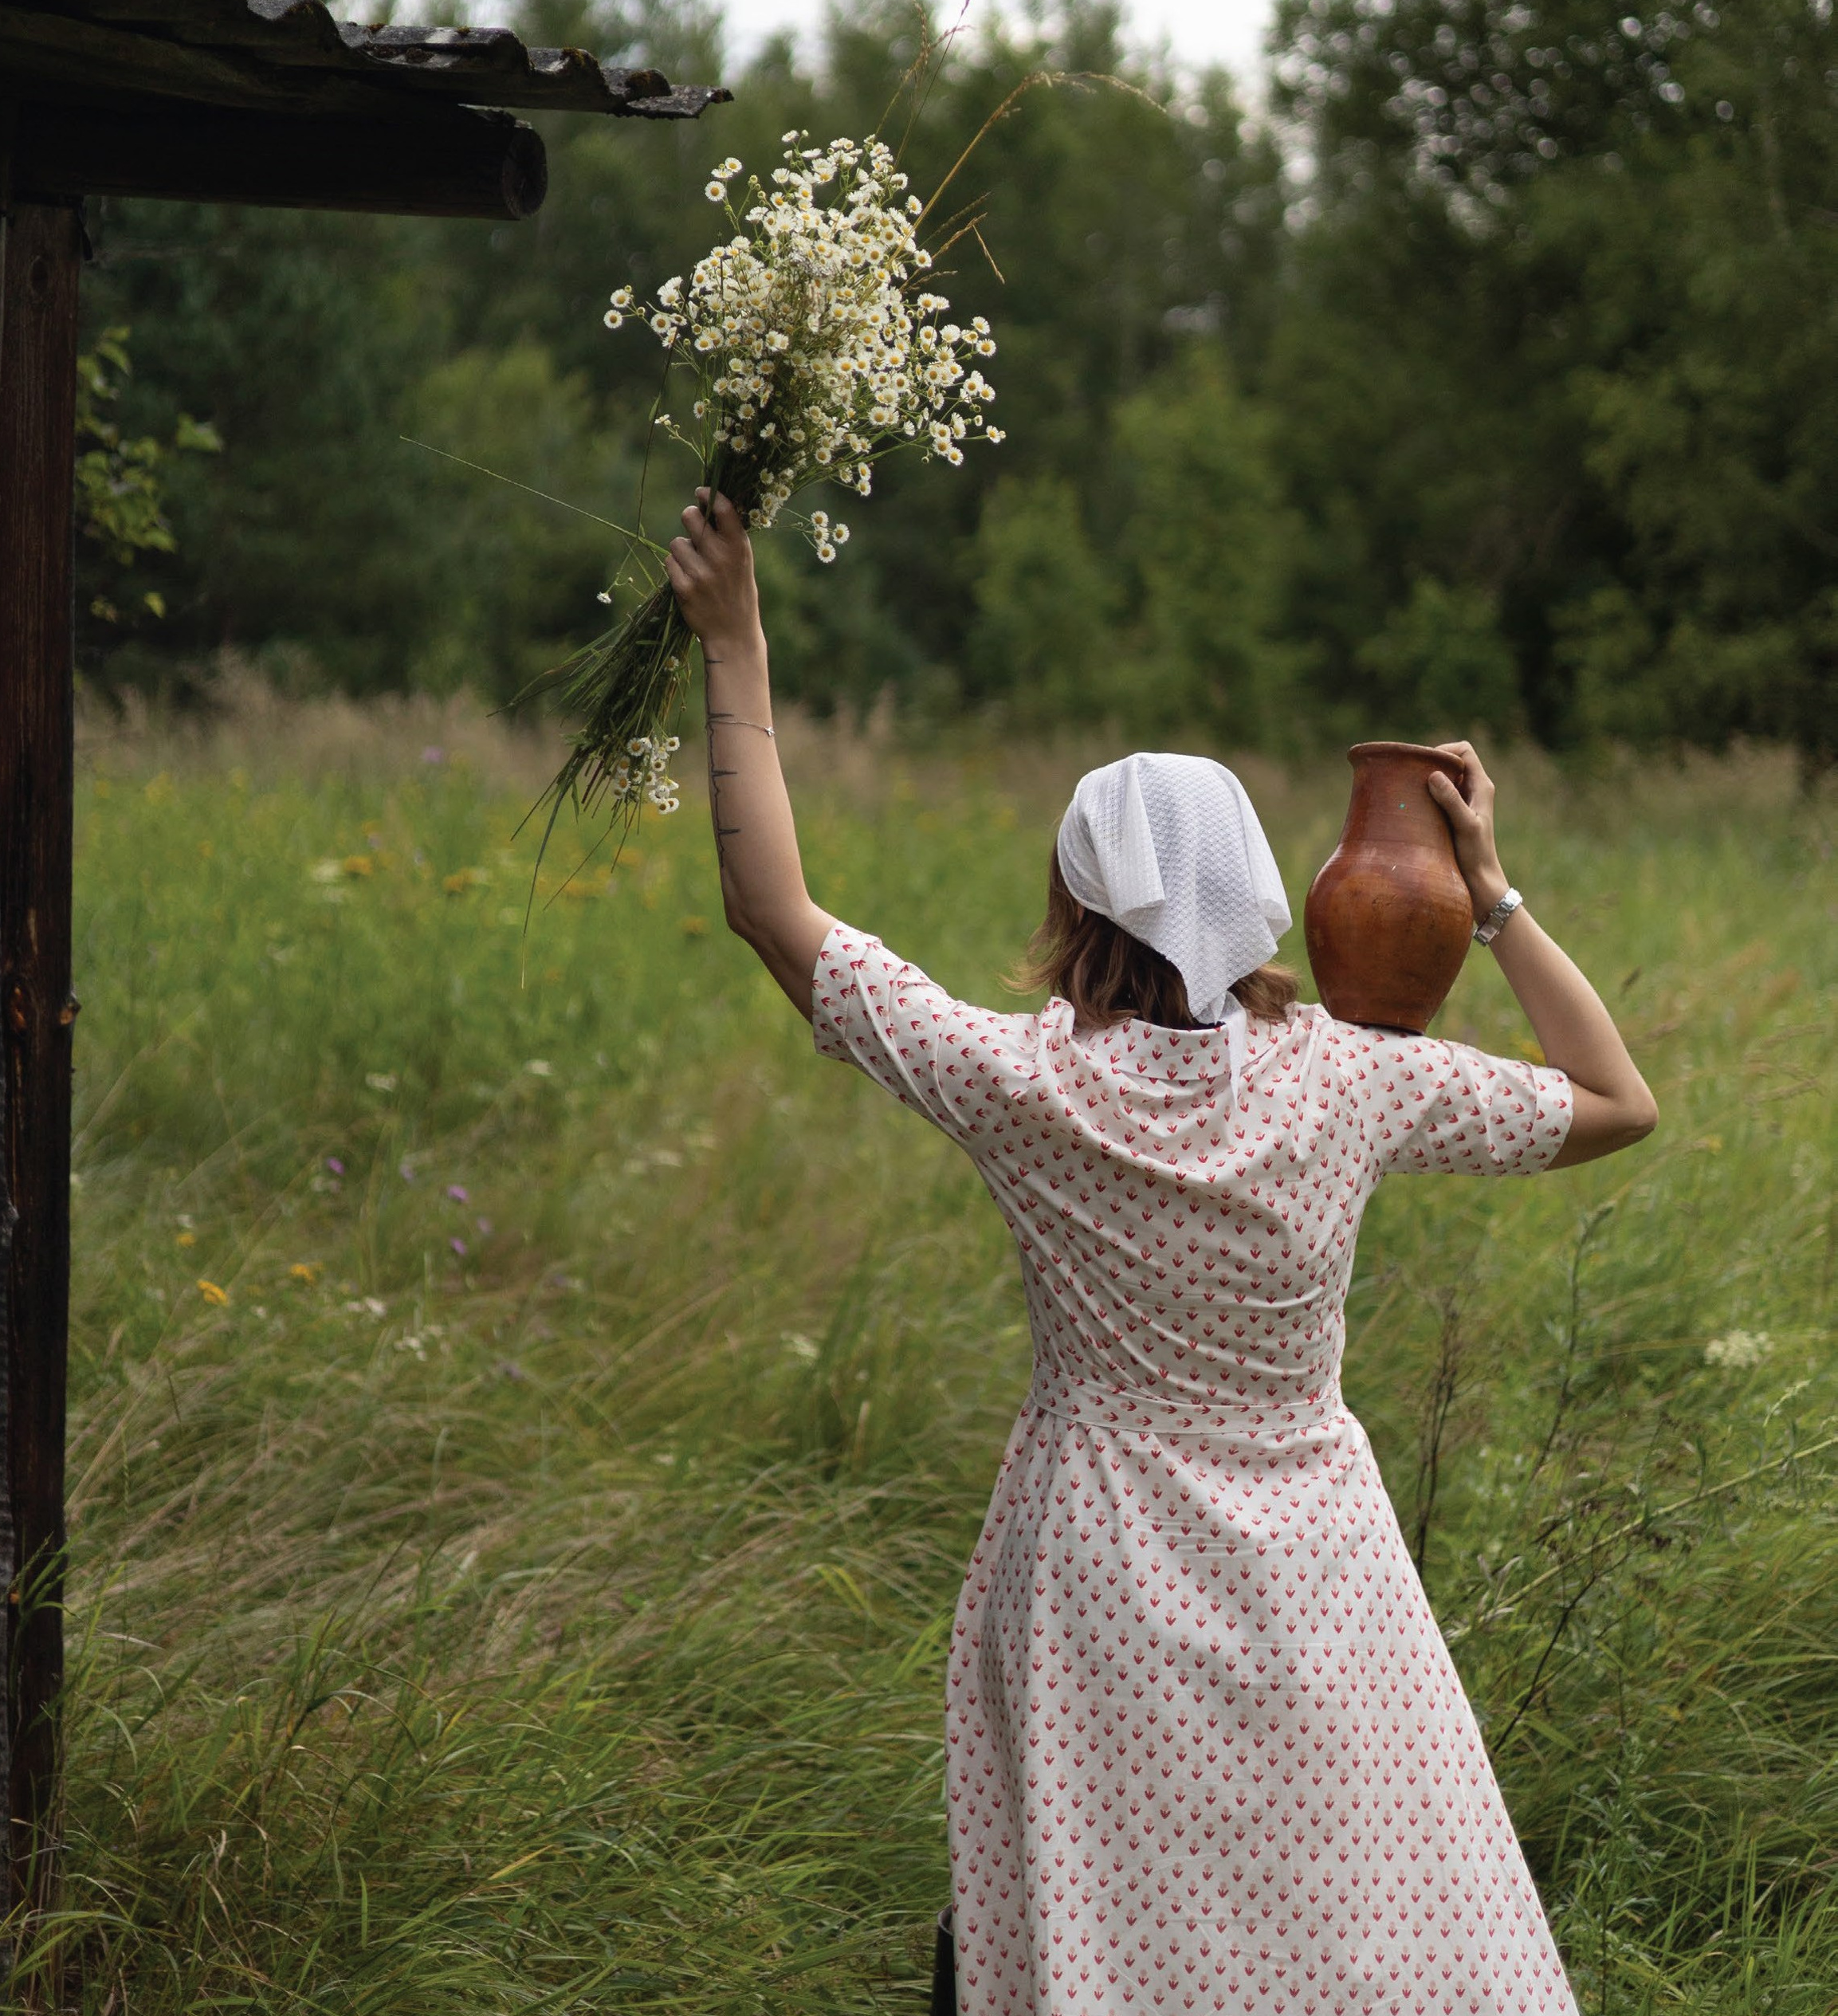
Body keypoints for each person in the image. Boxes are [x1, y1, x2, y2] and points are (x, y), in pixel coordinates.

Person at [665, 489, 1659, 2016]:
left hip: (1095, 1573)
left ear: (1073, 897)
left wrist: (735, 640)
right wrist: (1493, 890)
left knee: (1102, 1928)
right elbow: (1616, 1101)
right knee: (1331, 1935)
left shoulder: (1028, 1084)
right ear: (1254, 891)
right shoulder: (1352, 1074)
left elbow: (767, 906)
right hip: (1321, 1577)